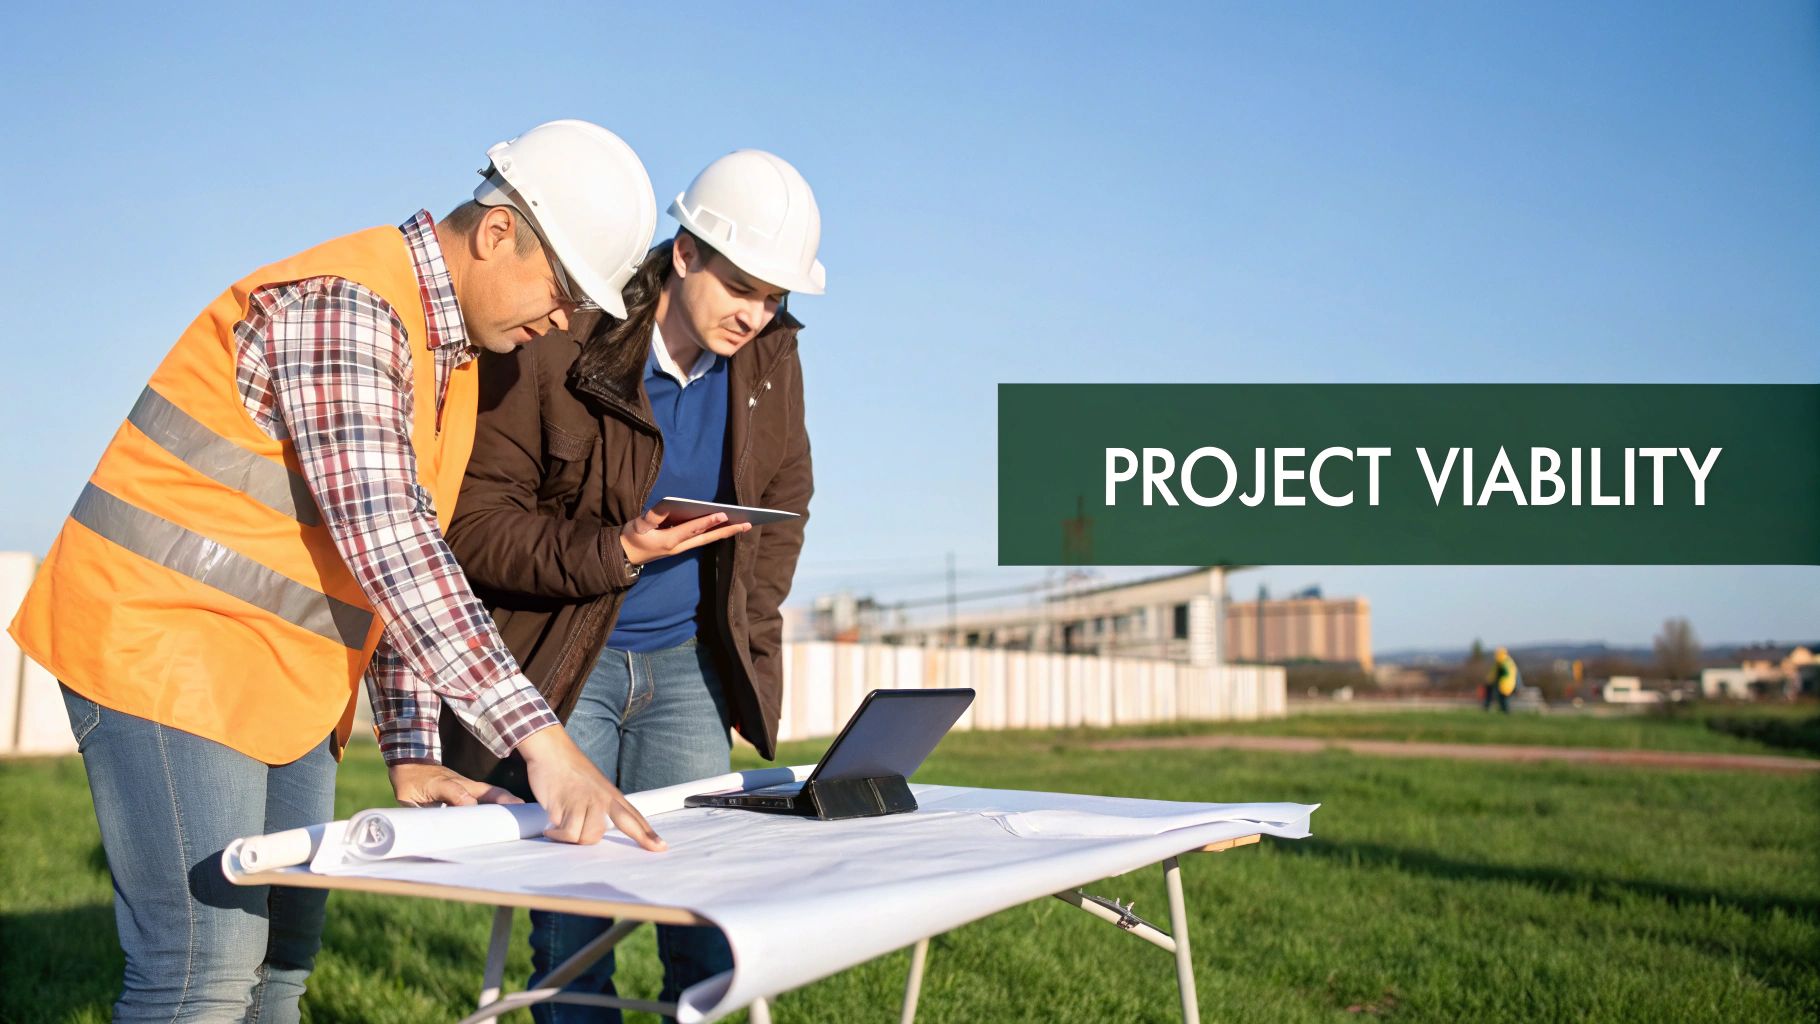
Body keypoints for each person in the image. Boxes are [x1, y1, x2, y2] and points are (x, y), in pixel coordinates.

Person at [8, 120, 671, 1023]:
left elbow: (402, 561)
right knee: (204, 966)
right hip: (165, 646)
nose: (563, 321)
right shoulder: (348, 308)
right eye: (562, 291)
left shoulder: (453, 358)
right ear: (498, 231)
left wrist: (410, 750)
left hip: (278, 676)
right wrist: (542, 744)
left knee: (283, 960)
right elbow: (392, 544)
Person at [441, 149, 822, 1022]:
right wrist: (617, 549)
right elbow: (474, 527)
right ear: (683, 255)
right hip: (568, 668)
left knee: (704, 912)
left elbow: (784, 501)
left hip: (689, 669)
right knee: (576, 918)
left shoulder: (770, 361)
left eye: (775, 297)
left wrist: (742, 655)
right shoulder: (561, 337)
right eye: (742, 287)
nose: (756, 315)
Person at [1485, 646, 1519, 713]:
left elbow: (1497, 673)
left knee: (1503, 699)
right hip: (1511, 683)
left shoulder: (1501, 662)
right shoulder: (1509, 661)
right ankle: (1504, 711)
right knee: (1503, 698)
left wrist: (1489, 680)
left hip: (1504, 684)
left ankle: (1505, 712)